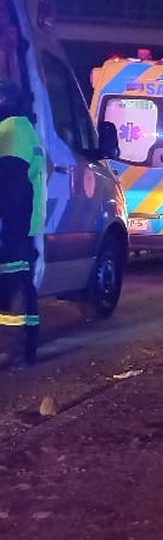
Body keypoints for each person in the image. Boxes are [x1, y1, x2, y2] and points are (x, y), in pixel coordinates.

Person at [0, 81, 43, 368]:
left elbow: (11, 185)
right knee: (21, 283)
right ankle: (24, 347)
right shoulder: (22, 128)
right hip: (21, 223)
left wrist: (4, 225)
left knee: (12, 285)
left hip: (13, 224)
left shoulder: (13, 130)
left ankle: (12, 350)